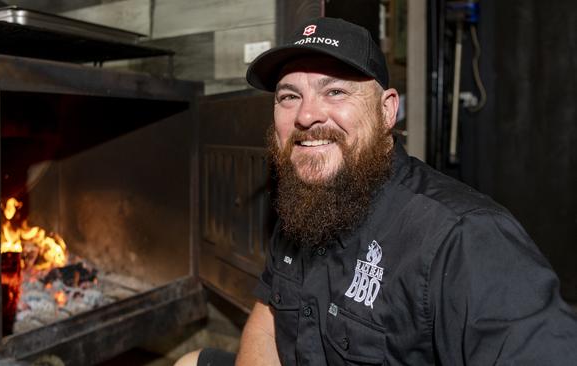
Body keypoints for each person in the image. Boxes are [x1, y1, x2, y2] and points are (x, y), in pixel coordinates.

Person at [176, 17, 577, 366]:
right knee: (190, 361)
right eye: (289, 96)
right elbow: (268, 319)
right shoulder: (305, 200)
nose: (307, 115)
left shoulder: (464, 237)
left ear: (387, 110)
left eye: (335, 91)